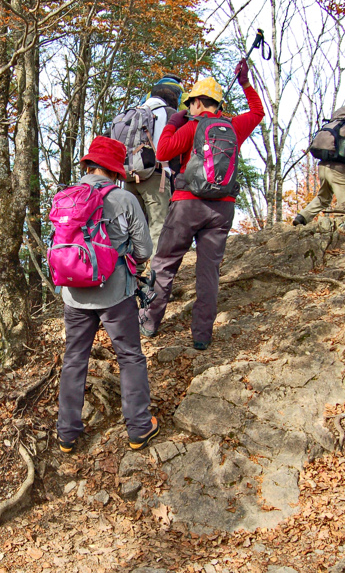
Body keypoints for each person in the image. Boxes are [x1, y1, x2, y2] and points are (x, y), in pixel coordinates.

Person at [138, 60, 265, 350]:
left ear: (196, 103)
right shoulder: (233, 126)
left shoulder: (191, 126)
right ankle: (201, 336)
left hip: (187, 205)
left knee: (165, 263)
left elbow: (163, 151)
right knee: (209, 272)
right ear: (217, 105)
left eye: (189, 103)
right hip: (222, 209)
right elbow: (258, 112)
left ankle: (148, 322)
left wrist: (175, 120)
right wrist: (245, 83)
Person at [57, 136, 158, 453]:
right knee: (129, 356)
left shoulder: (64, 197)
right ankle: (139, 428)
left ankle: (67, 434)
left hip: (73, 293)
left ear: (87, 165)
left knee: (74, 359)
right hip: (115, 293)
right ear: (115, 171)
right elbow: (144, 250)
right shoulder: (124, 200)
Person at [125, 75, 184, 251]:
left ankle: (132, 274)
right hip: (155, 177)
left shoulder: (131, 113)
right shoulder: (172, 115)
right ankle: (155, 276)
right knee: (158, 227)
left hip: (128, 176)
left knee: (131, 229)